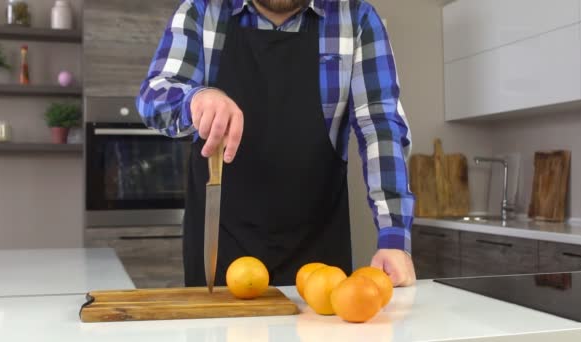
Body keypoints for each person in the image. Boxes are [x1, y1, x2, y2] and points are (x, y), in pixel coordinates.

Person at [137, 0, 416, 287]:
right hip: (219, 249)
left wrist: (394, 238)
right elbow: (153, 96)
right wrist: (194, 99)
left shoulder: (357, 19)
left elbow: (380, 128)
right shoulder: (202, 11)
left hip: (319, 253)